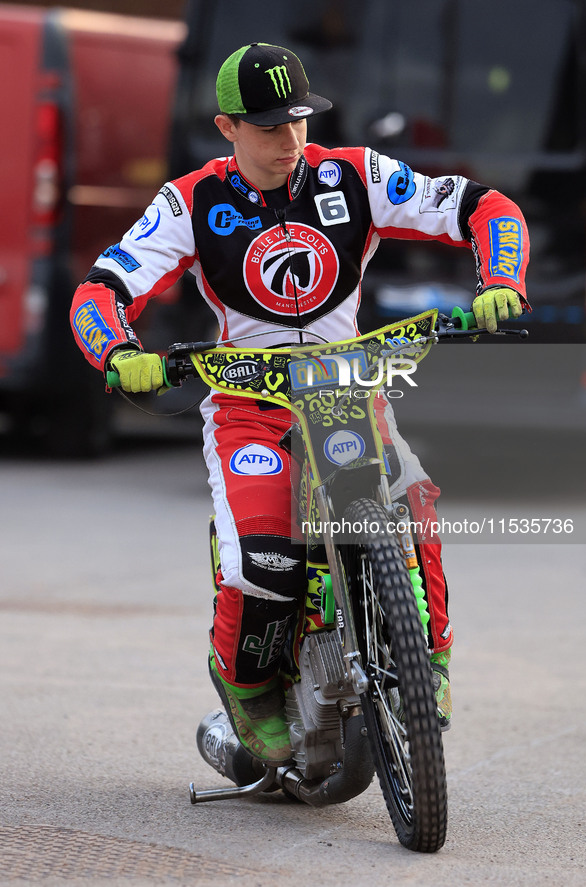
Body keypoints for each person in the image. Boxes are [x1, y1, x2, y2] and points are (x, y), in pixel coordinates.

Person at [70, 42, 529, 763]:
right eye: (267, 127)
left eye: (299, 122)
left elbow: (483, 205)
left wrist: (500, 275)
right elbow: (99, 292)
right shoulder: (189, 201)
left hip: (345, 391)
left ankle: (427, 662)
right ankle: (248, 688)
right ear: (227, 127)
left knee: (412, 505)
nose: (290, 141)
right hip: (245, 403)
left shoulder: (356, 174)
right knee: (264, 561)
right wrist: (120, 354)